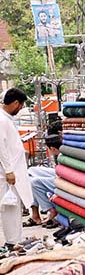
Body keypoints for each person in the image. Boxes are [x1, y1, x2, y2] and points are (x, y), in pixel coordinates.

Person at [0, 88, 33, 246]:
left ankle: (17, 238)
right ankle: (13, 241)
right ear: (14, 103)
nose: (20, 109)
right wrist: (8, 170)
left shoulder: (6, 119)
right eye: (20, 105)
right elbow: (1, 147)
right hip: (7, 173)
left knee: (15, 205)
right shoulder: (2, 120)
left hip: (12, 172)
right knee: (10, 207)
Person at [26, 131, 61, 227]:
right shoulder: (60, 154)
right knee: (31, 171)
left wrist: (57, 193)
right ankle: (35, 214)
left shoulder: (63, 157)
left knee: (34, 182)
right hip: (58, 175)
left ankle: (49, 210)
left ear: (52, 148)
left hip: (63, 180)